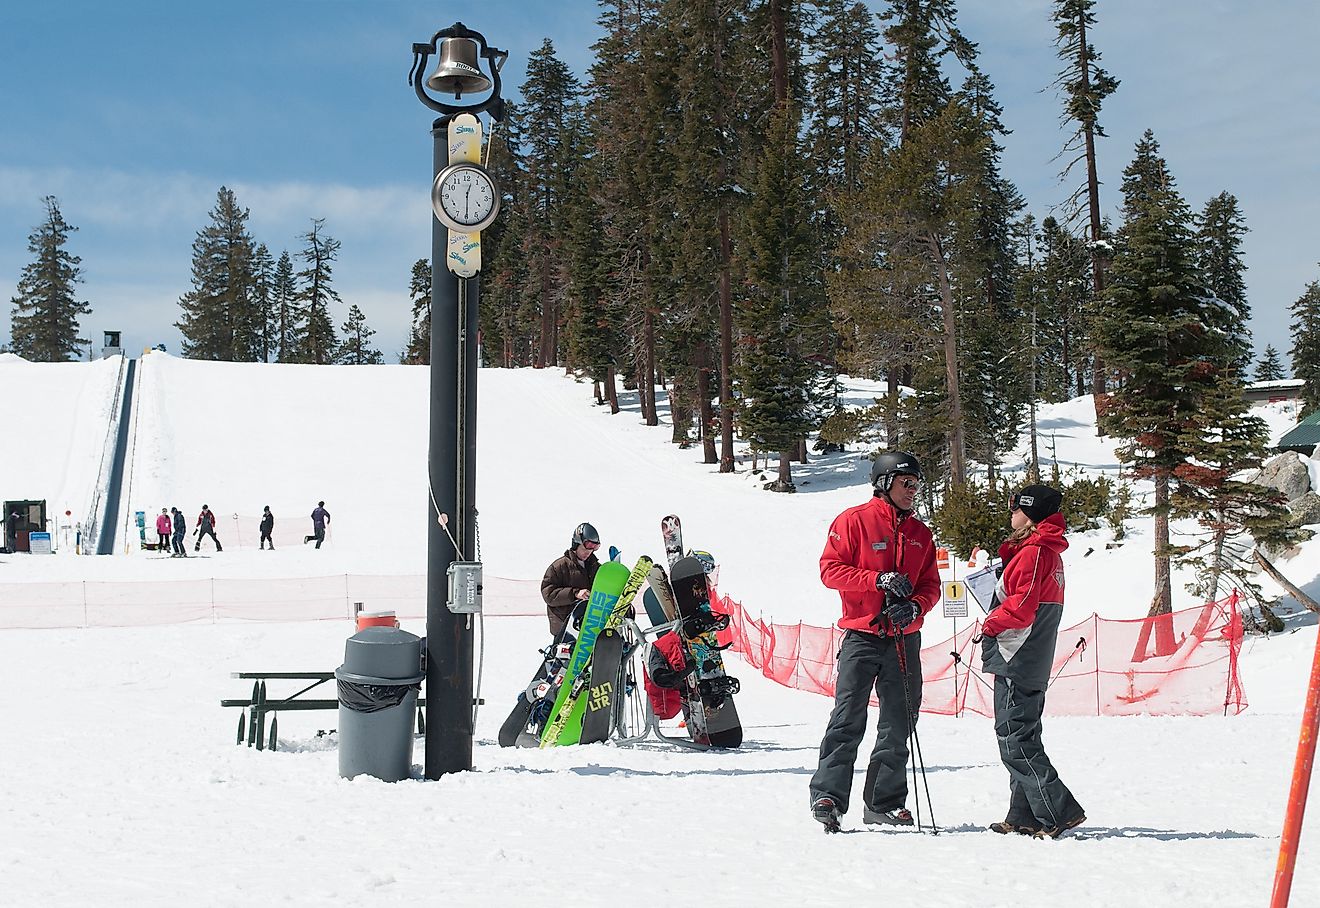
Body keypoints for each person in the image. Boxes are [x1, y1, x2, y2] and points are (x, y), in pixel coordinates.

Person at [809, 451, 941, 831]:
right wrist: (875, 580)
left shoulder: (921, 534)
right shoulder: (854, 521)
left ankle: (883, 802)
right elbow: (830, 570)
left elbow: (930, 586)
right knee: (848, 717)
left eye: (917, 484)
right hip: (862, 637)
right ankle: (828, 795)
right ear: (885, 483)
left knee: (899, 722)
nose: (913, 491)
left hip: (903, 640)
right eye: (906, 483)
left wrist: (915, 607)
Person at [978, 484, 1086, 839]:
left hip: (1017, 655)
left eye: (1014, 508)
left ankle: (1057, 811)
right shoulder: (1041, 552)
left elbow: (1021, 610)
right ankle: (1024, 814)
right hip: (1027, 656)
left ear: (1029, 511)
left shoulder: (1034, 552)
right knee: (1023, 733)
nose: (1010, 515)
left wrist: (990, 622)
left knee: (1013, 737)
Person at [539, 522, 602, 639]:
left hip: (589, 628)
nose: (588, 553)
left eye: (592, 550)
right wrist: (575, 594)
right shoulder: (559, 566)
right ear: (576, 544)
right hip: (565, 629)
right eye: (585, 549)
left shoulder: (596, 567)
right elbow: (549, 595)